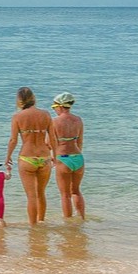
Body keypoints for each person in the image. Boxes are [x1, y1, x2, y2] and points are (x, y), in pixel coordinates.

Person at [5, 86, 53, 225]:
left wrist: (8, 157)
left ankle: (34, 227)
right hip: (44, 157)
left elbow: (13, 140)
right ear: (33, 98)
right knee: (41, 193)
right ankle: (42, 222)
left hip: (27, 158)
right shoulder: (46, 114)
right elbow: (53, 138)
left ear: (19, 100)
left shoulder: (17, 117)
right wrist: (54, 155)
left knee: (31, 196)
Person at [50, 91, 86, 220]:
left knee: (65, 195)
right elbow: (80, 141)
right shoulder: (78, 120)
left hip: (63, 158)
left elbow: (50, 143)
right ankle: (81, 218)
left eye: (55, 108)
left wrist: (52, 158)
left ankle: (68, 222)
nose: (55, 110)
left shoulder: (54, 121)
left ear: (60, 106)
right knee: (76, 191)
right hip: (78, 157)